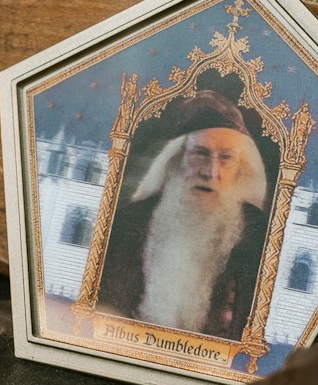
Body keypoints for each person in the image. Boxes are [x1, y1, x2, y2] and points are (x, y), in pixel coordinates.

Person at [98, 91, 271, 340]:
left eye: (227, 158)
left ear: (241, 168)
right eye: (200, 153)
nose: (211, 172)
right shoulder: (129, 221)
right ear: (176, 158)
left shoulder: (260, 235)